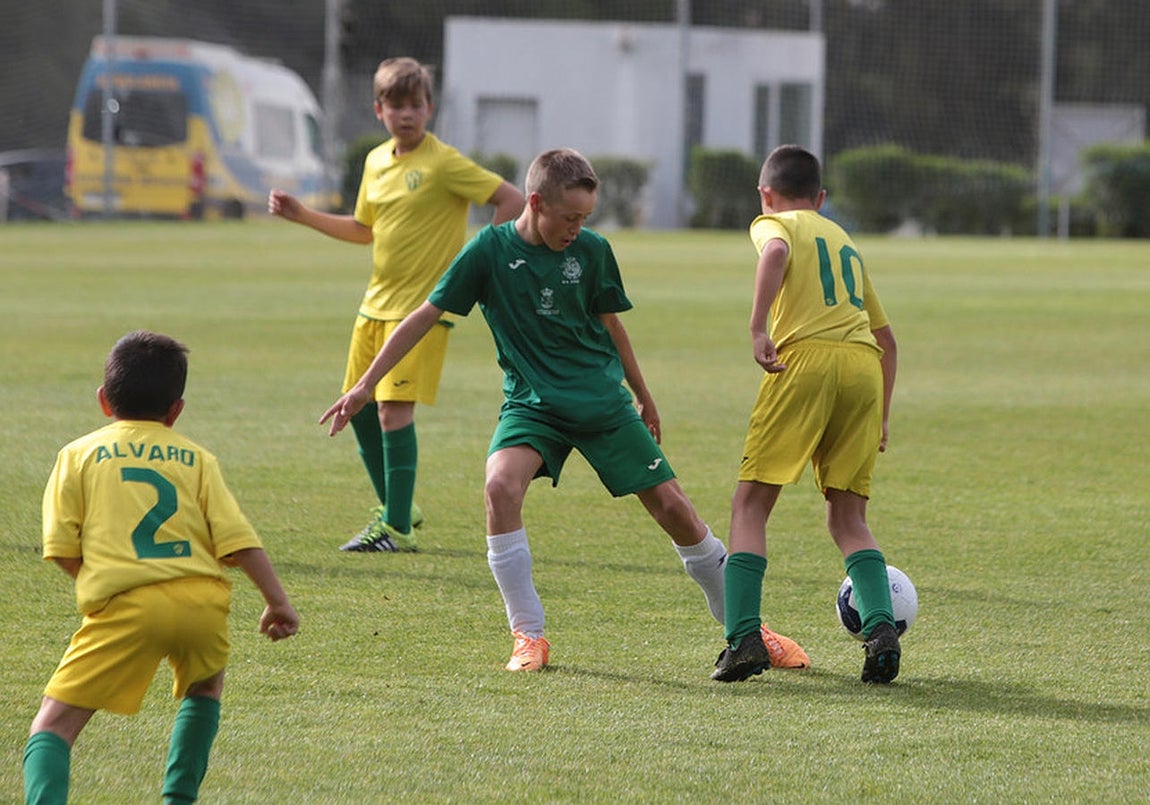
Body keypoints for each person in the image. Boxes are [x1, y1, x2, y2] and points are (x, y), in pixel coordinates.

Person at [321, 148, 808, 672]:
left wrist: (644, 396)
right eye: (569, 217)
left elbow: (613, 326)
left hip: (601, 402)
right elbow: (425, 315)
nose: (577, 228)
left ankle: (748, 628)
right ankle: (528, 635)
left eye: (585, 218)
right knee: (498, 486)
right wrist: (367, 385)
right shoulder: (487, 252)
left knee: (673, 508)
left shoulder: (593, 251)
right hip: (532, 406)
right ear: (534, 202)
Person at [23, 331, 300, 804]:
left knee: (53, 724)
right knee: (205, 685)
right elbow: (240, 540)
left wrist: (104, 582)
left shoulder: (77, 455)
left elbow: (63, 548)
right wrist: (278, 602)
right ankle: (178, 798)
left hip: (127, 605)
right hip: (201, 602)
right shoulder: (196, 458)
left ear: (104, 401)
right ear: (176, 411)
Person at [269, 56, 523, 553]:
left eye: (416, 104)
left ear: (429, 108)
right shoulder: (376, 162)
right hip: (373, 306)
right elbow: (363, 231)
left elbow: (510, 199)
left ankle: (397, 529)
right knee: (356, 407)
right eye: (396, 105)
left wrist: (473, 261)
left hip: (422, 311)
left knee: (392, 411)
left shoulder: (443, 162)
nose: (407, 114)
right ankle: (398, 508)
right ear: (378, 110)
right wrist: (302, 215)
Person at [710, 144, 902, 684]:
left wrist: (756, 328)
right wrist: (882, 415)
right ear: (821, 198)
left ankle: (744, 637)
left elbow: (773, 255)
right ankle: (881, 630)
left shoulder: (776, 224)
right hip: (863, 368)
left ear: (764, 194)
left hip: (806, 362)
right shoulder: (843, 238)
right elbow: (887, 337)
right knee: (849, 517)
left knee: (750, 503)